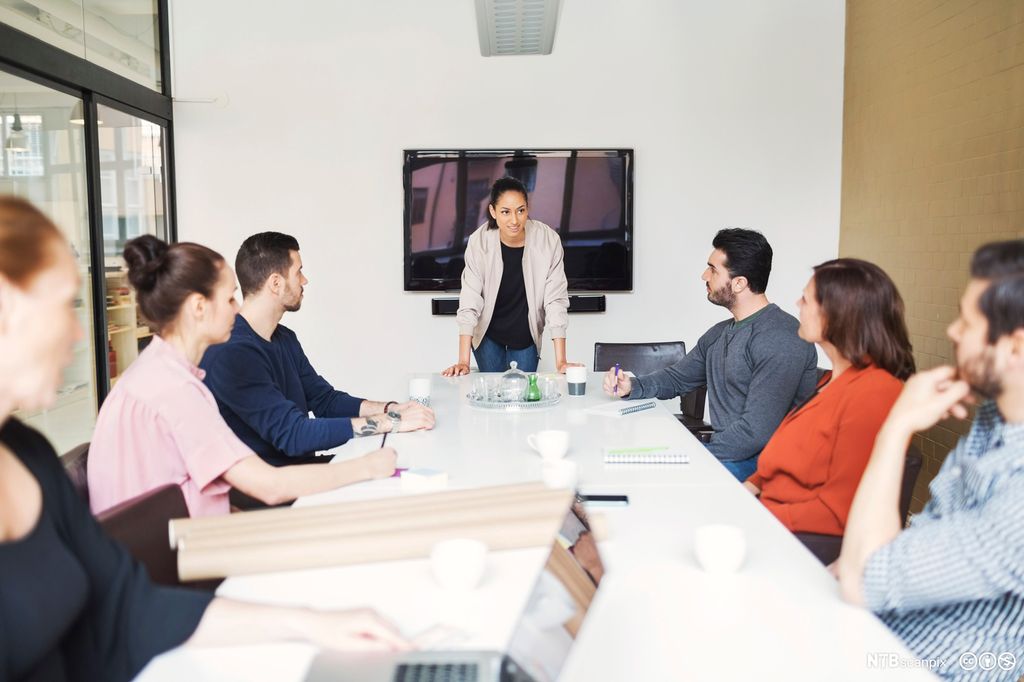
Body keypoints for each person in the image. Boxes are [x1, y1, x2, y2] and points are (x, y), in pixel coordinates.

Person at [0, 197, 408, 681]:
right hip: (194, 563)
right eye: (64, 304)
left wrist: (310, 624)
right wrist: (367, 462)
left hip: (196, 566)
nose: (77, 333)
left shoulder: (29, 455)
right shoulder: (172, 384)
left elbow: (128, 602)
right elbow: (271, 472)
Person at [88, 235, 400, 517]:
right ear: (199, 307)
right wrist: (368, 466)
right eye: (229, 299)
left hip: (187, 537)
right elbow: (270, 486)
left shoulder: (162, 372)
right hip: (172, 558)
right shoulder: (173, 389)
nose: (237, 309)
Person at [837, 239, 1024, 682]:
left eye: (967, 320)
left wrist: (896, 428)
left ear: (1015, 346)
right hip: (873, 637)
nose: (953, 331)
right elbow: (922, 529)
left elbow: (864, 581)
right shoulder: (994, 421)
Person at [201, 232, 435, 468]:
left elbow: (324, 401)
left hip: (301, 470)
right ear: (276, 283)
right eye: (298, 272)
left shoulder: (284, 338)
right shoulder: (233, 353)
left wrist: (391, 408)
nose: (305, 280)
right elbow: (294, 435)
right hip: (275, 488)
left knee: (406, 462)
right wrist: (391, 421)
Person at [603, 228, 819, 481]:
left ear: (739, 283)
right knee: (626, 465)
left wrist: (694, 454)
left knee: (653, 477)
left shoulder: (780, 336)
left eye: (713, 269)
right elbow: (677, 378)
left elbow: (755, 434)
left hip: (763, 466)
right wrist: (631, 385)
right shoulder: (719, 334)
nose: (704, 275)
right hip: (730, 453)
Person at [742, 259, 915, 537]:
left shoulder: (874, 392)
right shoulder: (829, 380)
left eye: (806, 299)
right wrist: (744, 493)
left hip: (795, 539)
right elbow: (780, 463)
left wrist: (751, 517)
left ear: (837, 314)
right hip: (770, 518)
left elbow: (839, 513)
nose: (797, 304)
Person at [441, 176, 580, 375]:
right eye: (505, 212)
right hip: (488, 335)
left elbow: (555, 300)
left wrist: (562, 362)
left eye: (520, 210)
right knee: (492, 398)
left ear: (527, 208)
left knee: (523, 399)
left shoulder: (548, 240)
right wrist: (462, 361)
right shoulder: (479, 242)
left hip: (525, 335)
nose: (514, 220)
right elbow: (470, 298)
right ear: (493, 211)